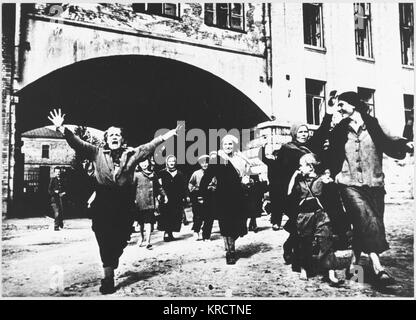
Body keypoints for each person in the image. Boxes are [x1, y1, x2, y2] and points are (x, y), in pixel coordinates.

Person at [48, 109, 180, 294]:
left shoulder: (132, 153)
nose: (115, 137)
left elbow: (150, 146)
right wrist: (63, 128)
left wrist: (167, 135)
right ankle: (108, 277)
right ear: (106, 138)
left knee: (121, 238)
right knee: (103, 237)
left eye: (118, 135)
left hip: (124, 202)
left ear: (122, 139)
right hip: (103, 201)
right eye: (111, 135)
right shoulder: (96, 152)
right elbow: (78, 144)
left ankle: (114, 256)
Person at [324, 91, 414, 285]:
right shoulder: (339, 129)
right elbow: (327, 149)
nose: (339, 108)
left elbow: (391, 140)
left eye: (341, 104)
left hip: (375, 184)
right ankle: (378, 266)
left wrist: (406, 145)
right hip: (350, 184)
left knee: (362, 226)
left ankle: (355, 270)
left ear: (353, 105)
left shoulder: (374, 124)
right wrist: (335, 174)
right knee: (367, 219)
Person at [270, 115, 333, 265]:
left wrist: (328, 115)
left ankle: (298, 251)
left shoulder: (310, 146)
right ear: (294, 134)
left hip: (311, 190)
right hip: (294, 192)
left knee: (309, 222)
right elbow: (280, 173)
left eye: (305, 132)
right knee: (298, 222)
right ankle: (290, 248)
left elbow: (321, 132)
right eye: (300, 132)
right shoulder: (287, 149)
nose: (304, 134)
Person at [287, 153, 340, 285]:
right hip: (304, 216)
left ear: (310, 167)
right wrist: (293, 177)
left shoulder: (321, 180)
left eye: (301, 165)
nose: (299, 168)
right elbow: (289, 194)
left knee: (326, 240)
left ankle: (331, 272)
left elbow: (333, 196)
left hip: (320, 214)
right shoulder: (299, 182)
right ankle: (304, 268)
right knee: (304, 243)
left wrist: (330, 183)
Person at [200, 134, 251, 265]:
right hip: (223, 197)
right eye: (225, 144)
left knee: (239, 226)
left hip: (239, 196)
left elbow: (247, 175)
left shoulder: (240, 158)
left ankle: (231, 245)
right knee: (226, 225)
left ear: (234, 146)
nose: (228, 146)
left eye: (230, 144)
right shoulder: (218, 159)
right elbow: (207, 176)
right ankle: (230, 252)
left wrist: (248, 181)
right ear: (221, 146)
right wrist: (202, 193)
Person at [133, 158, 167, 249]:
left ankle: (148, 241)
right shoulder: (136, 175)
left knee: (149, 222)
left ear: (148, 163)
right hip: (139, 202)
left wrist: (164, 195)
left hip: (150, 202)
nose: (144, 164)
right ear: (138, 164)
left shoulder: (153, 174)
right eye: (141, 162)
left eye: (145, 162)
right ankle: (141, 237)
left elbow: (159, 187)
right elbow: (131, 189)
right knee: (141, 223)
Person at [158, 155, 187, 242]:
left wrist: (185, 197)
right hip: (166, 198)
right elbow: (158, 185)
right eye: (170, 161)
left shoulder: (180, 173)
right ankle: (166, 233)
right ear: (167, 162)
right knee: (166, 214)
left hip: (177, 198)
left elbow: (183, 187)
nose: (172, 163)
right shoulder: (161, 173)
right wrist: (159, 195)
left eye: (173, 161)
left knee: (175, 215)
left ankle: (170, 232)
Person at [188, 155, 217, 240]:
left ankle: (206, 235)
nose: (205, 164)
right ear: (200, 164)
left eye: (207, 162)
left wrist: (212, 188)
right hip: (199, 196)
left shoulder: (213, 173)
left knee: (209, 216)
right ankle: (196, 230)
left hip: (210, 196)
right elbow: (190, 184)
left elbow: (216, 184)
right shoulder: (196, 173)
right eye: (203, 163)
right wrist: (194, 190)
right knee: (198, 215)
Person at [48, 166, 66, 231]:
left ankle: (60, 223)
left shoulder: (63, 179)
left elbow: (66, 189)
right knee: (57, 212)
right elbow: (49, 190)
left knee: (61, 211)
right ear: (54, 172)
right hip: (54, 199)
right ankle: (56, 226)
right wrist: (54, 192)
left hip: (61, 198)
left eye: (59, 172)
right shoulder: (52, 179)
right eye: (57, 172)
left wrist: (64, 193)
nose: (58, 173)